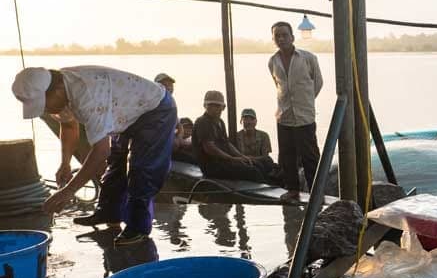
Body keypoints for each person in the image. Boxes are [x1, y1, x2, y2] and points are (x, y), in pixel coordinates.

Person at [12, 66, 177, 245]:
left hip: (156, 108)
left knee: (141, 169)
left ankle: (138, 228)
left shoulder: (87, 94)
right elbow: (68, 126)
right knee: (115, 161)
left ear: (57, 90)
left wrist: (67, 192)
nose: (45, 109)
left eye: (44, 103)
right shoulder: (61, 91)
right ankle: (109, 212)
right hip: (126, 112)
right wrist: (65, 163)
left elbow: (100, 150)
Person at [268, 21, 323, 203]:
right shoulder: (272, 61)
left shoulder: (308, 58)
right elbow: (278, 86)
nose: (281, 38)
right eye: (277, 36)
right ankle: (292, 190)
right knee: (287, 156)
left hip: (305, 116)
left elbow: (318, 83)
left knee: (310, 156)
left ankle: (317, 192)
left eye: (285, 35)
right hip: (284, 116)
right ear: (274, 39)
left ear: (292, 37)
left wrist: (305, 102)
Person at [191, 90, 282, 185]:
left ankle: (277, 185)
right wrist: (231, 159)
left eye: (217, 106)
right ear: (205, 106)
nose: (214, 108)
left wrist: (242, 157)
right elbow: (209, 148)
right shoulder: (203, 122)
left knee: (261, 164)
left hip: (224, 162)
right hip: (212, 167)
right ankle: (266, 193)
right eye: (210, 105)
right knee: (252, 172)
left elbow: (227, 143)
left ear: (223, 107)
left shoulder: (220, 122)